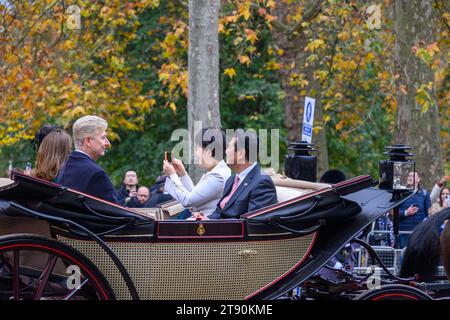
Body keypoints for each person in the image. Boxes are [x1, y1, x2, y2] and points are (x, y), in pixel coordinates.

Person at [194, 129, 278, 220]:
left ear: (240, 153)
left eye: (229, 147)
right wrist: (207, 219)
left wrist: (214, 224)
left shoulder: (261, 183)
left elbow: (253, 222)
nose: (225, 151)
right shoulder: (232, 180)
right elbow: (220, 212)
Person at [163, 128, 231, 217]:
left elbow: (188, 201)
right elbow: (194, 195)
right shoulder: (218, 170)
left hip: (205, 226)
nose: (195, 153)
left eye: (197, 149)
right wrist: (182, 173)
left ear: (209, 152)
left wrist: (172, 175)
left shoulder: (218, 176)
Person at [56, 115, 118, 203]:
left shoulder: (61, 166)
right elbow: (115, 212)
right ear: (88, 141)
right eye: (103, 137)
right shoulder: (97, 174)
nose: (107, 143)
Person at [398, 170, 431, 248]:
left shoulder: (425, 194)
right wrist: (406, 212)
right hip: (404, 232)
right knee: (404, 255)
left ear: (418, 179)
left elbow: (429, 213)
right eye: (409, 176)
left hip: (419, 232)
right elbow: (393, 212)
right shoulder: (400, 193)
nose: (410, 178)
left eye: (413, 176)